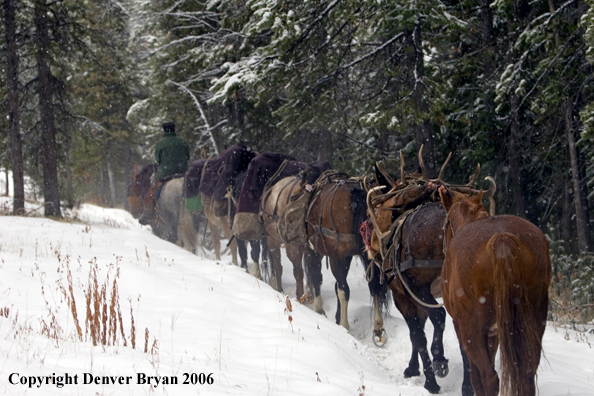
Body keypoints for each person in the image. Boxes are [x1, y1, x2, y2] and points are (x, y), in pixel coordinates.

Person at [139, 122, 190, 225]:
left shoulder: (160, 143)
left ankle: (148, 214)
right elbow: (187, 156)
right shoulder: (183, 141)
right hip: (183, 173)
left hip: (166, 174)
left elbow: (158, 159)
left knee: (151, 194)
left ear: (164, 131)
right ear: (174, 129)